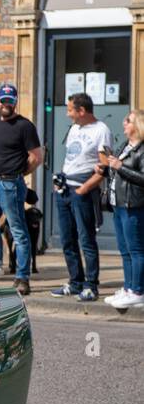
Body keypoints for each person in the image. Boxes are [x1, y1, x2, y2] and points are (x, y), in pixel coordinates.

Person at [0, 82, 42, 294]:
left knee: (18, 231)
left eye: (10, 100)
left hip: (10, 183)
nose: (6, 104)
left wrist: (20, 173)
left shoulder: (25, 126)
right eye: (3, 100)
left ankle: (22, 278)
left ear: (15, 101)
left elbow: (37, 157)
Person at [48, 92, 111, 301]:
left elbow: (104, 167)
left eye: (70, 110)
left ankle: (91, 285)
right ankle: (75, 282)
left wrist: (84, 189)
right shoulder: (75, 128)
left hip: (81, 192)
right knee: (67, 240)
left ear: (81, 111)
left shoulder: (101, 130)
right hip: (65, 190)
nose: (68, 115)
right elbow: (72, 158)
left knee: (86, 239)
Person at [100, 109, 144, 309]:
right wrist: (104, 168)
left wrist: (120, 167)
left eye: (128, 121)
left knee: (136, 249)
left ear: (137, 125)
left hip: (133, 204)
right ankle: (128, 288)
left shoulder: (142, 149)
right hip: (118, 203)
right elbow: (116, 169)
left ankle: (137, 290)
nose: (124, 124)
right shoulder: (125, 146)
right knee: (124, 249)